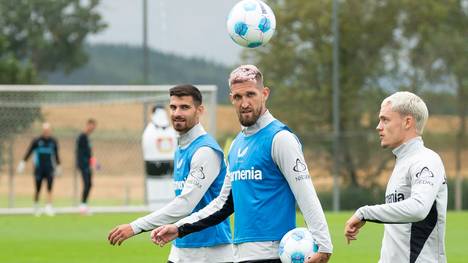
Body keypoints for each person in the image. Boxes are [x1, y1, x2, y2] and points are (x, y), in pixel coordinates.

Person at [152, 65, 333, 263]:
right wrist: (180, 228)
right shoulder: (237, 144)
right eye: (238, 97)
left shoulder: (280, 139)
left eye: (250, 94)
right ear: (231, 99)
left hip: (273, 254)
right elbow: (223, 204)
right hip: (240, 255)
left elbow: (305, 192)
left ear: (264, 94)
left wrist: (323, 244)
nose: (244, 103)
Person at [108, 85, 232, 263]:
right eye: (173, 107)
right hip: (181, 247)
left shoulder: (205, 151)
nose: (177, 113)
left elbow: (185, 205)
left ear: (200, 110)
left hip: (209, 251)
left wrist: (135, 227)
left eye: (185, 107)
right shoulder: (181, 147)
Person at [344, 91, 447, 263]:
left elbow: (419, 208)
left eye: (385, 119)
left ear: (407, 122)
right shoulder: (403, 162)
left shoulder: (426, 160)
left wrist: (365, 213)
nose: (378, 126)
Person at [17, 122, 61, 216]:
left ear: (50, 131)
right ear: (42, 130)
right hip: (39, 169)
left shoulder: (53, 141)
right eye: (45, 130)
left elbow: (56, 155)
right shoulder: (36, 141)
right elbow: (29, 152)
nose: (46, 132)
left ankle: (48, 207)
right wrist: (23, 163)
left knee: (49, 188)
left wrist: (58, 166)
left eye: (48, 130)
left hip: (49, 168)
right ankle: (36, 206)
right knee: (38, 188)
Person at [76, 118, 97, 214]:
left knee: (89, 184)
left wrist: (94, 163)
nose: (93, 128)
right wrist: (82, 164)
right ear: (88, 125)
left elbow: (89, 153)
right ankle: (82, 206)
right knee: (87, 183)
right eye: (92, 125)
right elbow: (80, 153)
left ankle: (84, 205)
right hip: (84, 165)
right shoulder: (82, 137)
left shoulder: (87, 137)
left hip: (87, 164)